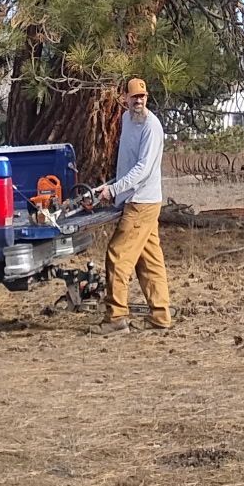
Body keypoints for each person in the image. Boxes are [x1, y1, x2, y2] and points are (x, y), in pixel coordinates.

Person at [95, 76, 170, 333]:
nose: (139, 101)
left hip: (142, 202)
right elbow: (126, 163)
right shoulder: (127, 120)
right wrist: (107, 188)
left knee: (117, 256)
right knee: (149, 261)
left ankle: (116, 319)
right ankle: (160, 317)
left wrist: (114, 190)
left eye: (143, 96)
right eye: (134, 97)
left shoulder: (151, 126)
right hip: (134, 199)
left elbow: (143, 168)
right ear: (124, 99)